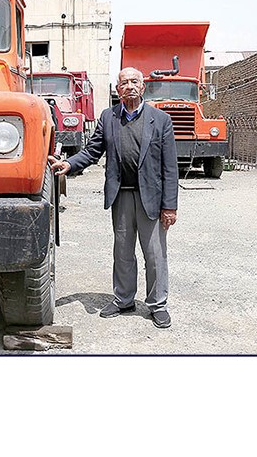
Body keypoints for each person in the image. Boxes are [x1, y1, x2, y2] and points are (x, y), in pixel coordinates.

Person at [48, 67, 178, 328]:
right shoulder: (109, 117)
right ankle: (124, 300)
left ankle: (158, 305)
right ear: (118, 89)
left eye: (134, 81)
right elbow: (93, 150)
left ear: (142, 87)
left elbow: (170, 167)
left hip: (151, 198)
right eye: (124, 82)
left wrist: (170, 207)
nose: (130, 86)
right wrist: (70, 164)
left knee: (154, 255)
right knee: (123, 252)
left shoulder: (161, 119)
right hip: (121, 196)